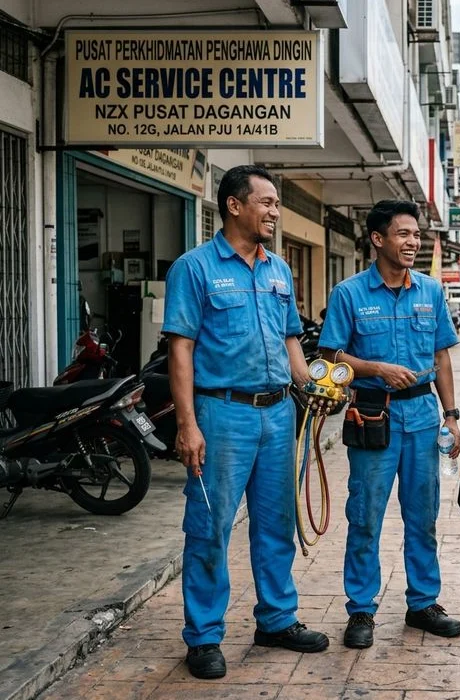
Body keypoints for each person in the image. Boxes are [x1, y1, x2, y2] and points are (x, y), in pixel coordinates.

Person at [163, 165, 328, 680]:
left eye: (277, 203)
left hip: (279, 413)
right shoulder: (194, 268)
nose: (276, 212)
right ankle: (204, 636)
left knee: (276, 523)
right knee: (210, 526)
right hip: (222, 413)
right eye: (267, 202)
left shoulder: (279, 270)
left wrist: (312, 388)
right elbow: (180, 349)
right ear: (234, 206)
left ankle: (276, 620)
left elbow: (290, 339)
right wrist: (188, 425)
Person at [318, 199, 460, 649]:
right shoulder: (349, 294)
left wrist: (452, 416)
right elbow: (329, 355)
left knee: (423, 516)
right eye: (403, 234)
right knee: (365, 516)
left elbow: (441, 356)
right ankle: (361, 609)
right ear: (378, 239)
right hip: (372, 415)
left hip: (422, 417)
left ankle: (423, 603)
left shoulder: (431, 292)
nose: (413, 242)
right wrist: (375, 368)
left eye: (416, 235)